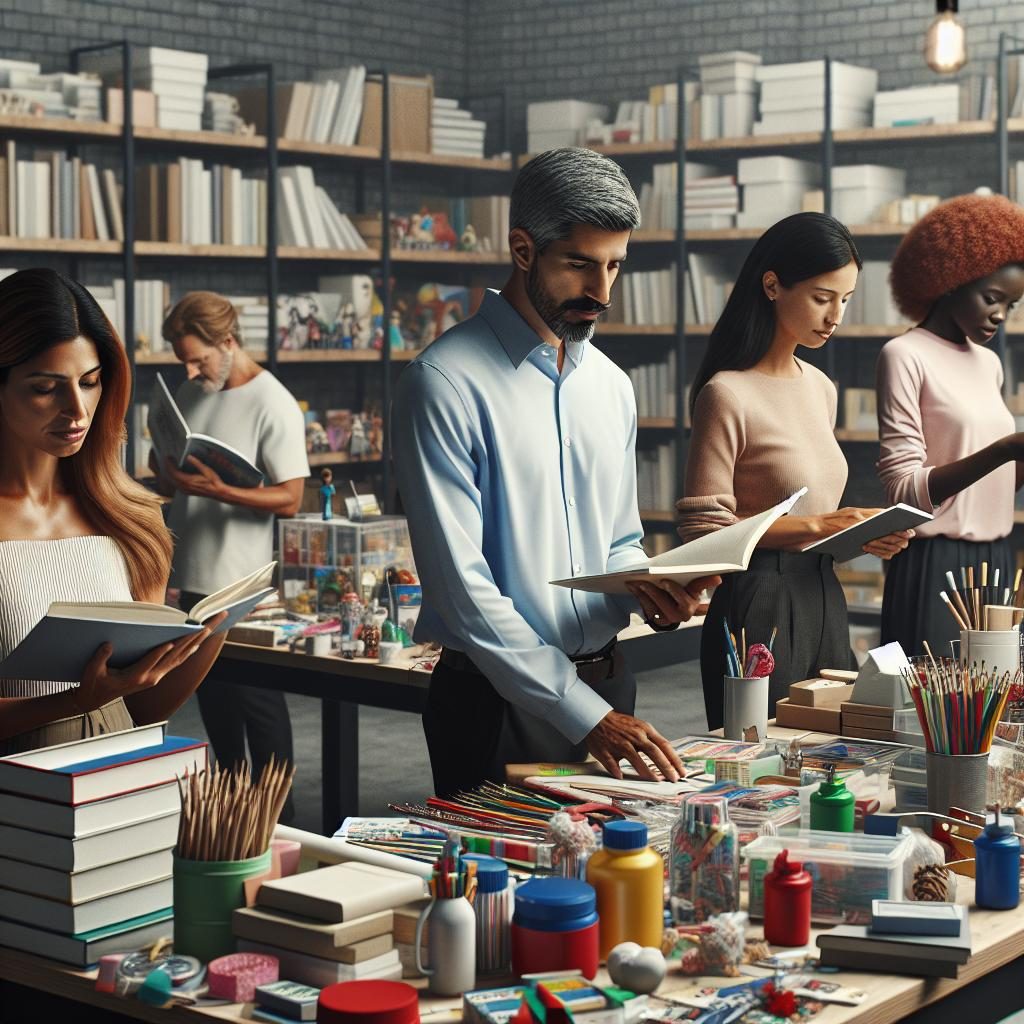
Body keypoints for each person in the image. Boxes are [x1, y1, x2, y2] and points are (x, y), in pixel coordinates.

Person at [393, 147, 717, 796]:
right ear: (522, 249)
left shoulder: (613, 387)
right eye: (579, 265)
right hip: (492, 704)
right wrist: (582, 712)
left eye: (615, 266)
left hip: (609, 685)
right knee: (505, 897)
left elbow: (618, 538)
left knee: (604, 887)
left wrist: (652, 589)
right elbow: (463, 591)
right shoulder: (443, 383)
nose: (601, 292)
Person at [679, 213, 912, 730]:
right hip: (759, 601)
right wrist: (818, 526)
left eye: (846, 300)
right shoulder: (727, 393)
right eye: (822, 297)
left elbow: (815, 511)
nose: (835, 316)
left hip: (825, 591)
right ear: (772, 285)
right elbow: (705, 534)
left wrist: (864, 535)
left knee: (838, 748)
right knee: (764, 761)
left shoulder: (821, 388)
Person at [0, 269, 227, 754]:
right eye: (46, 387)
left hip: (117, 786)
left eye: (90, 382)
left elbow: (142, 710)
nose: (77, 410)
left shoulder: (129, 517)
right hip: (17, 800)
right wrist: (76, 701)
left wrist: (210, 638)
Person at [153, 291, 309, 818]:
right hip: (189, 577)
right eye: (184, 361)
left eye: (199, 358)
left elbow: (290, 498)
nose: (193, 371)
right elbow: (171, 475)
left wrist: (218, 491)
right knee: (214, 700)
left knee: (256, 701)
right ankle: (238, 815)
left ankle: (278, 817)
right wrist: (169, 474)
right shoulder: (192, 390)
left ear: (228, 341)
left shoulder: (273, 401)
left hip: (243, 584)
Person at [877, 193, 1024, 657]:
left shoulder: (988, 364)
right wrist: (1006, 447)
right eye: (992, 299)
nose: (1000, 315)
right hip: (934, 563)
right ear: (949, 279)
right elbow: (903, 491)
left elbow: (995, 484)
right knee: (931, 716)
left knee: (994, 713)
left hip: (998, 559)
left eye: (1012, 306)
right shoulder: (905, 355)